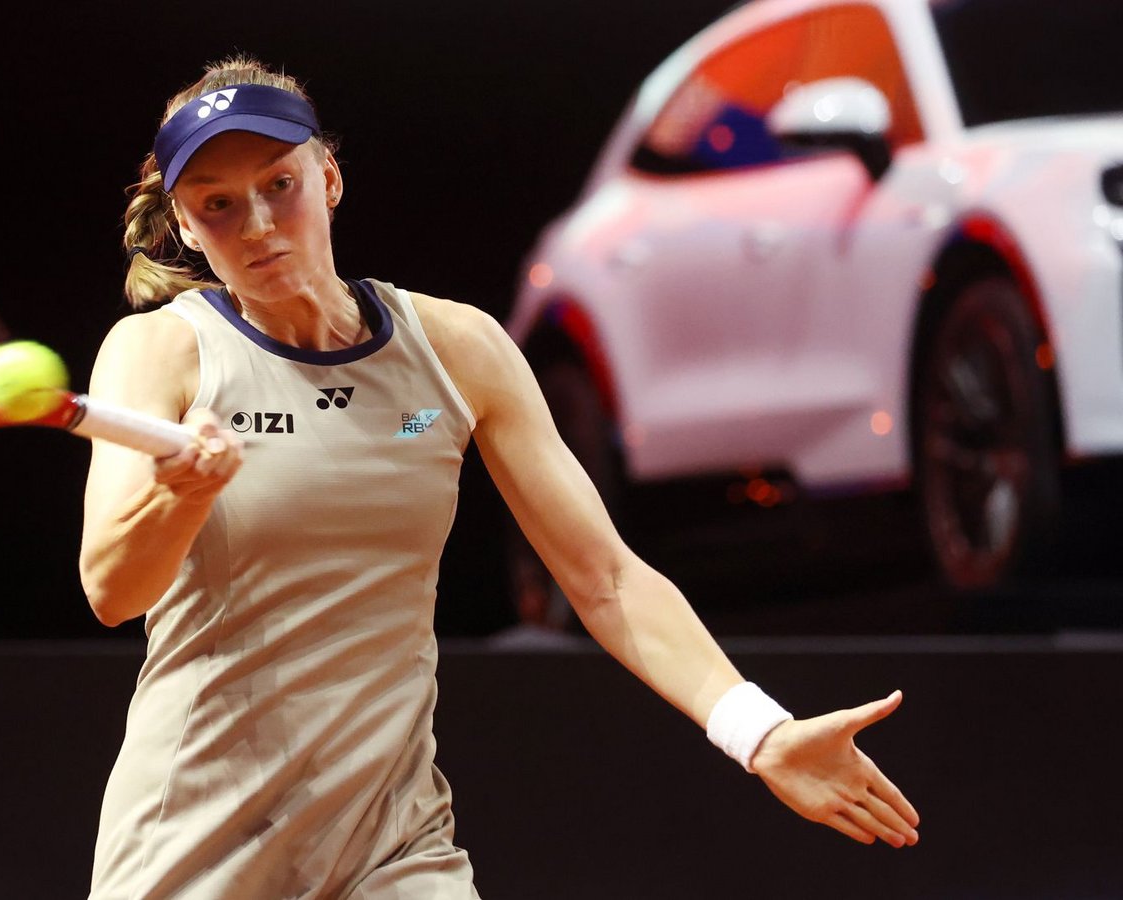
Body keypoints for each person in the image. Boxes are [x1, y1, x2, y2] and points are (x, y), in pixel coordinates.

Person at [79, 56, 920, 899]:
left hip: (391, 844)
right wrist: (179, 496)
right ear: (186, 227)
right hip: (197, 837)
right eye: (218, 205)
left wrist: (758, 731)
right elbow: (114, 589)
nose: (258, 222)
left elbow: (606, 578)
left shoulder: (457, 349)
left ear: (328, 177)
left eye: (279, 184)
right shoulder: (160, 352)